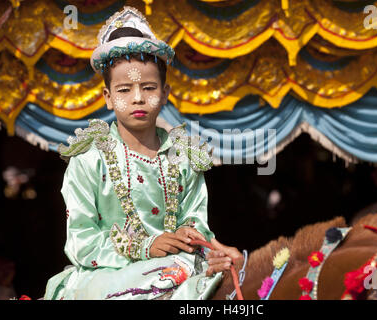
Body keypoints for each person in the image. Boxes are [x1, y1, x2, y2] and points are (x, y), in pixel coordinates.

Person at [43, 6, 241, 300]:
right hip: (105, 277)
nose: (137, 98)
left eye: (148, 88)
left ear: (165, 93)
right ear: (108, 98)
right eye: (124, 90)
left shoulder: (183, 156)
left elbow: (195, 224)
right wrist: (145, 247)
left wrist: (209, 245)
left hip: (179, 268)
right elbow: (81, 241)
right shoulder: (88, 160)